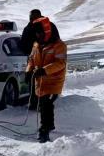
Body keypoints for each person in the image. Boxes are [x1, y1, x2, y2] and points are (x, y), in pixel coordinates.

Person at [24, 15, 67, 143]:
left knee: (45, 105)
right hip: (40, 81)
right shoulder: (36, 45)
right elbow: (31, 60)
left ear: (47, 32)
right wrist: (28, 71)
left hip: (54, 81)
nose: (38, 36)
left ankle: (44, 130)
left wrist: (44, 70)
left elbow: (61, 63)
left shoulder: (59, 46)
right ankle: (50, 125)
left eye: (40, 33)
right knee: (45, 104)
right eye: (37, 33)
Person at [18, 9, 44, 110]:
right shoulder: (49, 25)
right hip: (48, 58)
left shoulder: (28, 28)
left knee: (33, 80)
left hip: (33, 59)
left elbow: (23, 45)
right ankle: (44, 102)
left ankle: (34, 103)